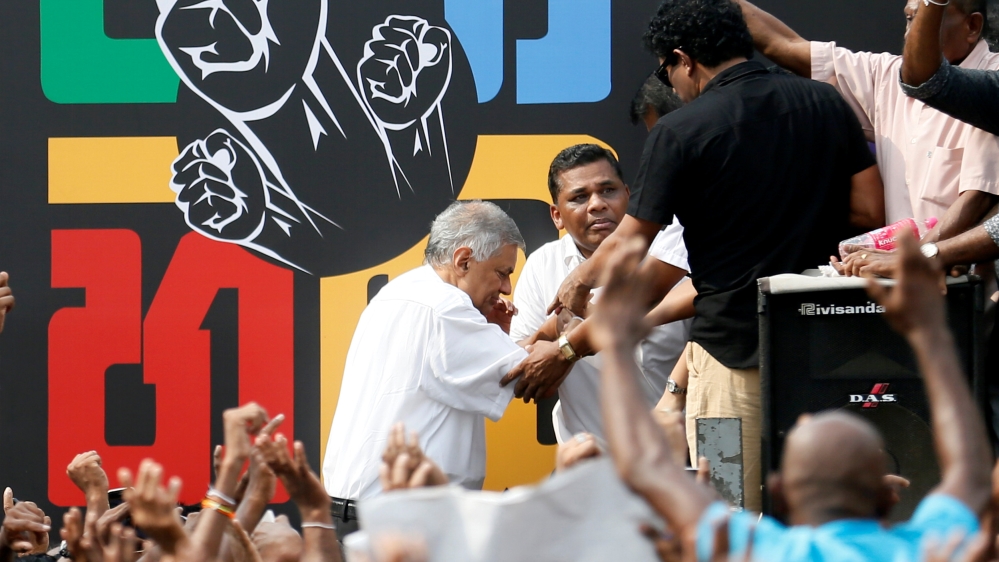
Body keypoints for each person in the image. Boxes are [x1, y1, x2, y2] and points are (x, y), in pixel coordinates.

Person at [548, 0, 884, 512]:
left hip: (728, 360)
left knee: (727, 507)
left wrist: (580, 280)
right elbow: (868, 210)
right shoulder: (825, 103)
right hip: (826, 350)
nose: (673, 84)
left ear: (684, 60)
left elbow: (633, 241)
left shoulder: (678, 133)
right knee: (828, 510)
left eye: (668, 71)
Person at [590, 233, 992, 561]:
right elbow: (972, 470)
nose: (803, 420)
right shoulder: (928, 550)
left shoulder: (756, 549)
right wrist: (931, 334)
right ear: (891, 496)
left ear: (779, 492)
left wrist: (615, 344)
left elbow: (645, 465)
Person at [321, 201, 561, 539]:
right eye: (502, 272)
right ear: (463, 261)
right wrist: (567, 328)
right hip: (398, 524)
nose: (507, 287)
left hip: (368, 515)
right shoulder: (446, 308)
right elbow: (533, 375)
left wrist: (493, 336)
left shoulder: (402, 293)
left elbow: (462, 371)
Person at [735, 0, 999, 243]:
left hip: (971, 286)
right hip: (909, 281)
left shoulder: (992, 83)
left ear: (972, 26)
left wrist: (922, 259)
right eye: (910, 19)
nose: (911, 33)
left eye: (928, 18)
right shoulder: (887, 75)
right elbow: (783, 44)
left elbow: (979, 197)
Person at [508, 144, 692, 441]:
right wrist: (559, 325)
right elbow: (528, 372)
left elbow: (707, 336)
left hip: (679, 452)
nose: (597, 204)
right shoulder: (543, 264)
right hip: (590, 460)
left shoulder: (667, 252)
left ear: (630, 197)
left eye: (608, 191)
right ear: (556, 215)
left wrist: (569, 341)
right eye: (579, 197)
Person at [901, 0, 999, 137]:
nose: (909, 35)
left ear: (972, 26)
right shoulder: (884, 73)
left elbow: (924, 79)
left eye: (924, 20)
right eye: (910, 19)